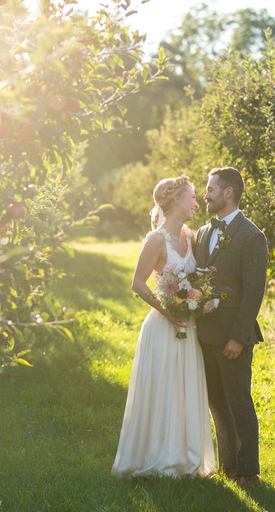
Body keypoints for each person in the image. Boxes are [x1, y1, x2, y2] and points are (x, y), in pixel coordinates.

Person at [112, 174, 215, 478]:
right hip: (163, 325)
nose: (197, 203)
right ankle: (160, 456)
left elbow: (195, 277)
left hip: (188, 325)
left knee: (185, 388)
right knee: (164, 389)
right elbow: (137, 283)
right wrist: (168, 311)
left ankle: (186, 457)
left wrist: (200, 295)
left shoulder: (189, 236)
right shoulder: (156, 240)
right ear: (176, 200)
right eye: (192, 197)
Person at [194, 167, 268, 488]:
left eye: (210, 189)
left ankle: (248, 471)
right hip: (205, 333)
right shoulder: (202, 233)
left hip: (232, 336)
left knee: (238, 400)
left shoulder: (252, 236)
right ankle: (228, 465)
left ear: (228, 192)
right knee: (216, 401)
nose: (205, 195)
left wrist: (238, 336)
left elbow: (254, 292)